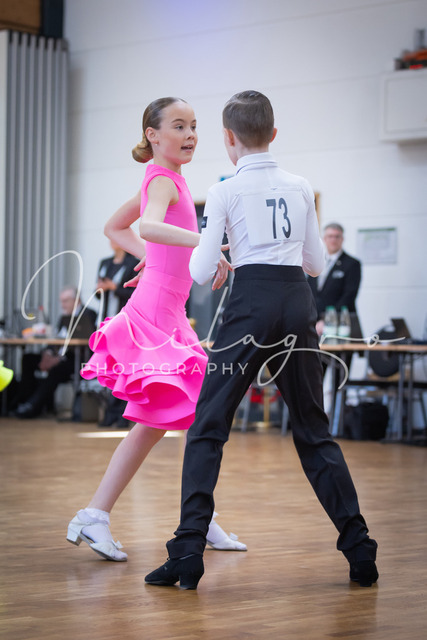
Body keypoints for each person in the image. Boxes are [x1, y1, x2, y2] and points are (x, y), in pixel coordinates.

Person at [145, 91, 378, 589]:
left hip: (250, 304)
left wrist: (218, 251)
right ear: (273, 133)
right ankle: (360, 549)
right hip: (296, 304)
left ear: (228, 138)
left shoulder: (225, 190)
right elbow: (315, 264)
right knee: (314, 430)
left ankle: (187, 552)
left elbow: (202, 271)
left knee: (208, 426)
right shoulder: (300, 186)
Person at [66, 96, 247, 562]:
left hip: (168, 315)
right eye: (179, 126)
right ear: (153, 135)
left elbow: (115, 227)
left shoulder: (165, 180)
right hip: (155, 316)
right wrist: (204, 243)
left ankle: (188, 516)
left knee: (178, 420)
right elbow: (146, 225)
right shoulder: (163, 180)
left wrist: (150, 257)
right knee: (178, 418)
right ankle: (106, 514)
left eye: (194, 126)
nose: (190, 135)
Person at [14, 286, 97, 418]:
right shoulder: (64, 317)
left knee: (56, 370)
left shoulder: (89, 314)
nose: (63, 305)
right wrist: (47, 354)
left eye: (66, 301)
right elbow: (57, 339)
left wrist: (58, 359)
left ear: (76, 300)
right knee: (28, 359)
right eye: (61, 301)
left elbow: (86, 342)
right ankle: (22, 401)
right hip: (59, 356)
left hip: (76, 360)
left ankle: (31, 407)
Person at [95, 240, 139, 427]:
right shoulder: (105, 262)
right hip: (106, 322)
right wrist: (100, 289)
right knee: (109, 368)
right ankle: (110, 413)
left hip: (125, 322)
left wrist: (114, 288)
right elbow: (98, 295)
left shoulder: (133, 262)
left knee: (123, 368)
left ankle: (121, 414)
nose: (112, 241)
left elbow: (135, 293)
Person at [307, 223, 361, 337]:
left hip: (340, 323)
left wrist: (328, 320)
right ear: (324, 239)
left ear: (342, 239)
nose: (333, 240)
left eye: (337, 236)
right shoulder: (316, 262)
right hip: (314, 322)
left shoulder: (352, 264)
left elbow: (349, 295)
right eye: (330, 236)